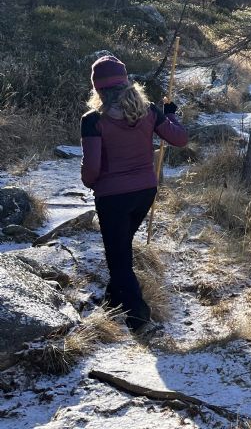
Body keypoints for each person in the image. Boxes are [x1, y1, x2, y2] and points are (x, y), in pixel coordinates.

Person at [80, 55, 188, 339]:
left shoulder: (93, 120)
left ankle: (140, 322)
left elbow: (91, 169)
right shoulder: (151, 111)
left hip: (112, 197)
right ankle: (110, 302)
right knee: (121, 247)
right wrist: (170, 114)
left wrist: (90, 181)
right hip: (144, 192)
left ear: (97, 88)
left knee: (119, 259)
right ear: (126, 81)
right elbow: (179, 139)